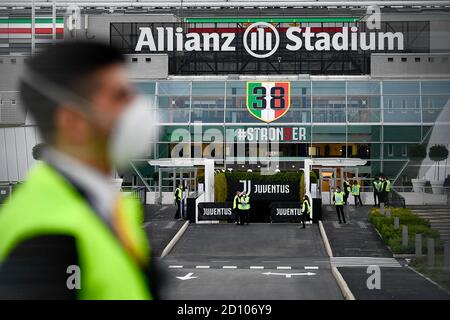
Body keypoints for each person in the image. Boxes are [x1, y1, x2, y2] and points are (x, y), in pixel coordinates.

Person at [0, 42, 161, 299]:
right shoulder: (45, 231)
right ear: (72, 120)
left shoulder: (107, 206)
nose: (138, 107)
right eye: (120, 96)